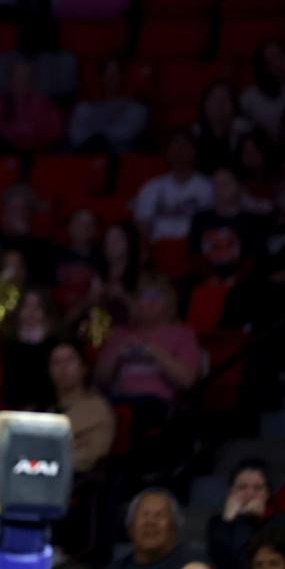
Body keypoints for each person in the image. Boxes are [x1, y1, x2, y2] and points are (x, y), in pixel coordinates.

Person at [94, 275, 201, 425]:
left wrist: (153, 352)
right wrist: (117, 353)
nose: (150, 302)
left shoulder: (183, 334)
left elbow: (187, 381)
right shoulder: (120, 334)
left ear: (169, 302)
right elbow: (100, 379)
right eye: (144, 296)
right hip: (117, 402)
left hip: (158, 406)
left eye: (157, 296)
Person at [96, 488, 200, 569]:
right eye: (144, 515)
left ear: (173, 528)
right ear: (130, 528)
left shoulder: (194, 564)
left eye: (159, 515)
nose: (150, 522)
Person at [207, 459, 285, 569]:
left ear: (267, 493)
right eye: (242, 487)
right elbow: (220, 568)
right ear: (231, 491)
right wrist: (228, 521)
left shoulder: (281, 521)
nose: (249, 494)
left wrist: (248, 520)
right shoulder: (217, 524)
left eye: (257, 488)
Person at [133, 132, 213, 243]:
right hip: (160, 249)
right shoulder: (151, 187)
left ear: (194, 151)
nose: (179, 151)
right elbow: (142, 223)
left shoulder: (208, 187)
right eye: (175, 146)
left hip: (195, 249)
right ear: (168, 152)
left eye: (184, 146)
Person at [48, 341, 115, 474]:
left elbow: (91, 456)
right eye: (56, 362)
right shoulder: (37, 410)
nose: (63, 367)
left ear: (83, 368)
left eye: (69, 360)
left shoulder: (97, 409)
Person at [188, 167, 262, 282]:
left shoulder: (252, 221)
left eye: (226, 183)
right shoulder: (201, 219)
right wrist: (210, 277)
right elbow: (194, 255)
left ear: (239, 186)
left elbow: (253, 258)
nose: (220, 188)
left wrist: (236, 278)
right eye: (216, 184)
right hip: (206, 282)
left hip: (243, 284)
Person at [0, 57, 63, 152]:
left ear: (32, 81)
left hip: (37, 156)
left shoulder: (45, 106)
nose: (20, 82)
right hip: (1, 157)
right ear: (8, 79)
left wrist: (28, 137)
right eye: (16, 77)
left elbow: (54, 133)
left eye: (25, 77)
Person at [68, 58, 148, 154]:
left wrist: (101, 136)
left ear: (122, 77)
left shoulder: (137, 110)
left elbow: (123, 134)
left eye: (115, 74)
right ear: (102, 77)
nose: (111, 79)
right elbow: (77, 138)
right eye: (108, 74)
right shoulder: (84, 108)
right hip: (86, 156)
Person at [0, 288, 59, 411]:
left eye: (38, 306)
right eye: (26, 306)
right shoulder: (8, 346)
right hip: (17, 409)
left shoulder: (56, 343)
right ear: (18, 311)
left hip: (53, 406)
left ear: (46, 311)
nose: (32, 311)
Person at [240, 42, 285, 141]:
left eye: (280, 54)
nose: (277, 61)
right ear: (264, 66)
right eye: (271, 58)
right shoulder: (250, 96)